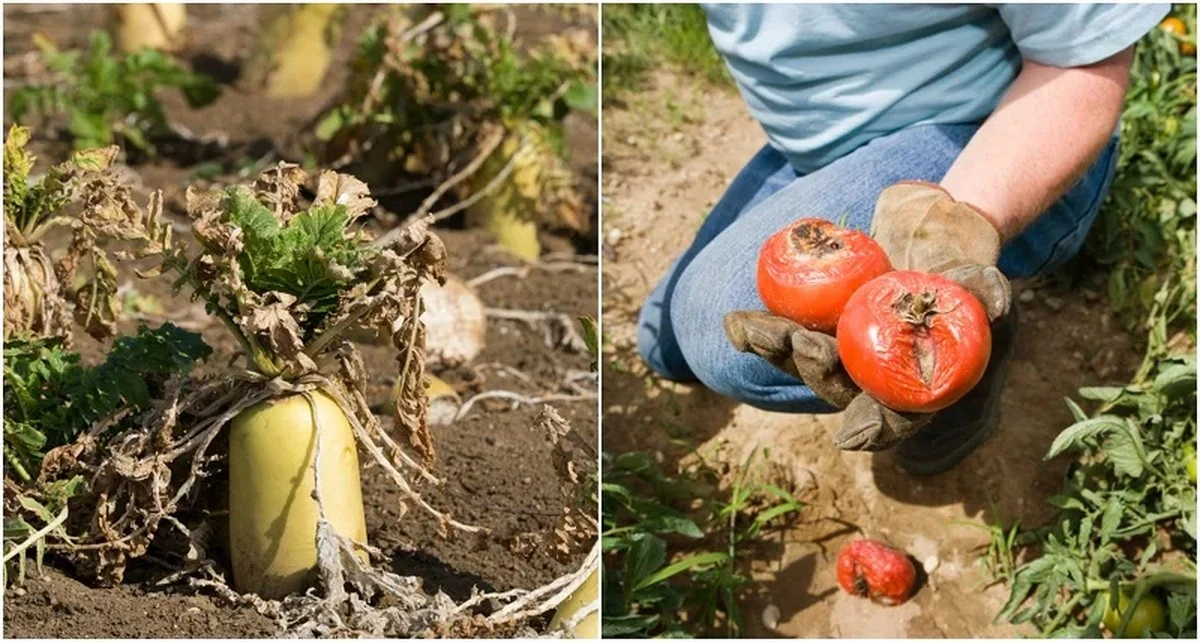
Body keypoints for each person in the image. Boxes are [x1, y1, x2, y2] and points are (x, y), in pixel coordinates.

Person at [635, 3, 1171, 475]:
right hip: (821, 151)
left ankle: (973, 342)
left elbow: (1081, 66)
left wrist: (949, 233)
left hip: (994, 133)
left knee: (712, 334)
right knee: (661, 349)